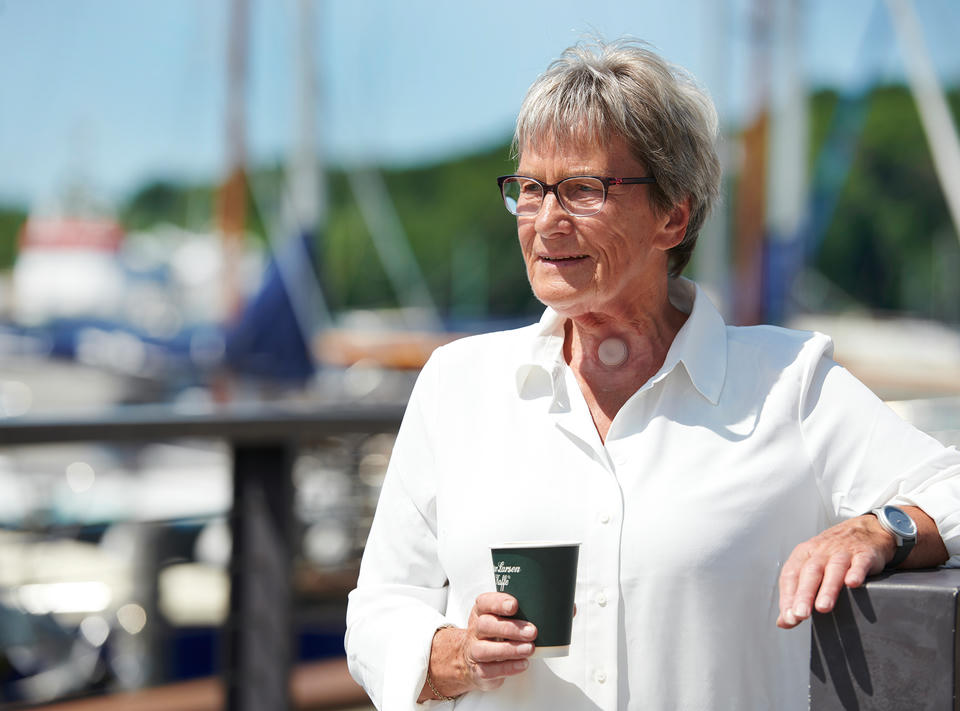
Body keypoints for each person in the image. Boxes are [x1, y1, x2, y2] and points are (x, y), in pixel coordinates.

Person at [345, 38, 959, 710]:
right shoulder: (456, 385)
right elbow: (381, 607)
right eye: (530, 188)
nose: (547, 220)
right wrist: (451, 654)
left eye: (582, 189)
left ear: (673, 214)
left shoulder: (789, 381)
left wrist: (881, 528)